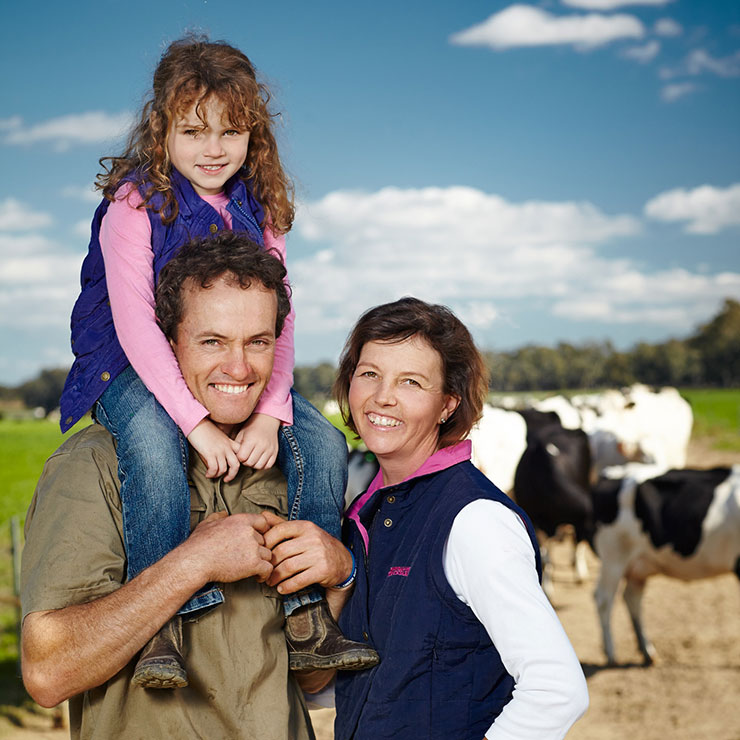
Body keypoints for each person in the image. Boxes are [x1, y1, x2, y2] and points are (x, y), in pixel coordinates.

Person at [57, 35, 371, 687]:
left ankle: (306, 611)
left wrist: (271, 412)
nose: (214, 148)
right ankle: (162, 627)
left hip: (222, 364)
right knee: (148, 441)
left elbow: (277, 319)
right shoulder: (135, 204)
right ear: (161, 129)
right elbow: (137, 326)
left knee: (319, 438)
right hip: (128, 365)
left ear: (253, 134)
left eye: (231, 131)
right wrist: (196, 423)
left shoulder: (263, 210)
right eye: (194, 130)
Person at [21, 236, 364, 739]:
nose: (240, 367)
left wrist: (339, 576)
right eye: (212, 341)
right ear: (168, 342)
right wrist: (193, 562)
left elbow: (313, 678)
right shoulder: (93, 466)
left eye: (258, 341)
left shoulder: (298, 467)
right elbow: (48, 674)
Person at [319, 297, 589, 739]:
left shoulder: (475, 522)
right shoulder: (365, 515)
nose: (382, 396)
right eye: (369, 374)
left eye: (411, 382)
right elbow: (368, 682)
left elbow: (557, 688)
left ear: (448, 404)